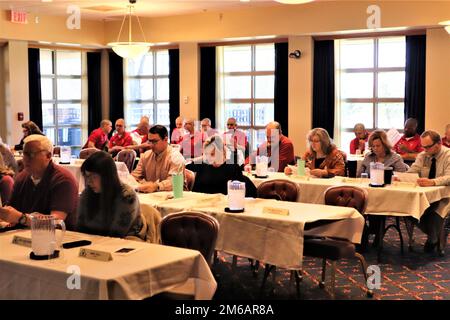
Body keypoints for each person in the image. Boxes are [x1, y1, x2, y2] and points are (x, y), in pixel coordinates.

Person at [0, 135, 78, 229]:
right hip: (24, 236)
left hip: (57, 239)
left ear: (48, 156)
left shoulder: (63, 180)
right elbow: (11, 212)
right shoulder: (22, 178)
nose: (25, 159)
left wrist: (22, 218)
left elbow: (56, 222)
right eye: (24, 154)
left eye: (31, 154)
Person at [76, 151, 143, 238]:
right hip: (94, 242)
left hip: (125, 243)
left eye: (93, 176)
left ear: (107, 177)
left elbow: (117, 234)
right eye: (87, 176)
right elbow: (79, 227)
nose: (89, 181)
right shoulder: (87, 193)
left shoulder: (127, 197)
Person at [407, 130, 450, 253]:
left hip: (445, 195)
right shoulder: (422, 155)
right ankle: (433, 236)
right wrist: (402, 176)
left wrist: (433, 182)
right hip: (426, 194)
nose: (424, 149)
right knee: (410, 210)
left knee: (437, 212)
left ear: (438, 144)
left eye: (427, 147)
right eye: (423, 146)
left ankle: (433, 238)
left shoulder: (448, 155)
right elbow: (413, 170)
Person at [186, 135, 256, 197]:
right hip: (202, 205)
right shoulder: (201, 166)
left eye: (212, 154)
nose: (209, 158)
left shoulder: (233, 168)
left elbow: (240, 194)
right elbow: (185, 166)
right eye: (207, 154)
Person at [132, 125, 185, 193]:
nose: (151, 145)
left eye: (154, 141)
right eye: (149, 141)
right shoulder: (145, 156)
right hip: (154, 196)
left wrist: (156, 186)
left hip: (175, 197)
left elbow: (175, 182)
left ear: (165, 140)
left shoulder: (176, 157)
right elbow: (134, 177)